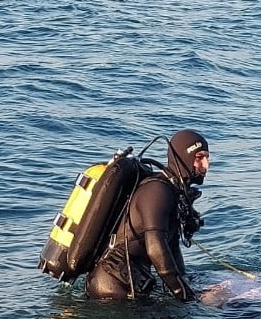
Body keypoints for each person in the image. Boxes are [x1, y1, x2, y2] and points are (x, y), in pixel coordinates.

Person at [85, 129, 210, 301]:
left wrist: (185, 283)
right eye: (199, 158)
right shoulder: (157, 191)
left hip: (132, 281)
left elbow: (172, 248)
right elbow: (155, 247)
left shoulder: (174, 193)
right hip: (111, 288)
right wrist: (185, 295)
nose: (206, 165)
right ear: (183, 157)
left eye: (207, 158)